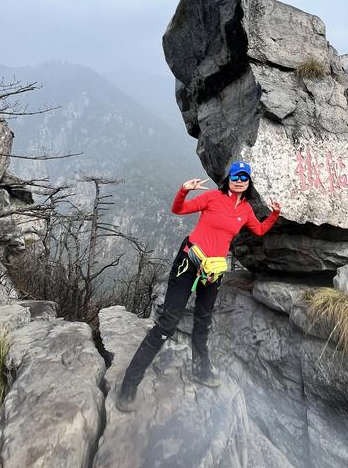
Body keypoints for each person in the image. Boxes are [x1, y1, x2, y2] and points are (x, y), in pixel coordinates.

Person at [116, 161, 281, 411]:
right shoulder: (212, 198)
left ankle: (201, 371)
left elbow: (258, 230)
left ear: (248, 183)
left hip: (213, 269)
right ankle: (130, 383)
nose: (239, 180)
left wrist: (275, 214)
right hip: (189, 260)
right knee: (168, 321)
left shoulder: (246, 210)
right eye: (236, 176)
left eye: (244, 177)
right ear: (229, 179)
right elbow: (178, 210)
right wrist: (184, 189)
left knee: (203, 320)